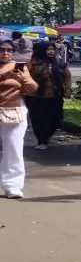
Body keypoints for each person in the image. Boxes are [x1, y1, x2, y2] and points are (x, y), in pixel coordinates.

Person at [0, 38, 39, 198]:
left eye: (9, 50)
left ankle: (13, 186)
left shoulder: (19, 67)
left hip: (14, 112)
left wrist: (23, 77)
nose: (6, 53)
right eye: (2, 50)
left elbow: (33, 88)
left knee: (13, 149)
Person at [27, 41, 71, 150]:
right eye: (47, 49)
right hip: (36, 97)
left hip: (55, 96)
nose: (51, 51)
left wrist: (68, 89)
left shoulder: (59, 62)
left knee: (56, 120)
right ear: (41, 50)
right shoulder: (31, 63)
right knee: (38, 119)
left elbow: (67, 76)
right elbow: (24, 76)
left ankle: (46, 137)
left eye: (52, 49)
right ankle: (41, 140)